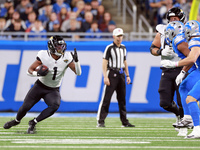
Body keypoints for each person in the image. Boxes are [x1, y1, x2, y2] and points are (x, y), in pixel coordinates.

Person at [3, 35, 82, 134]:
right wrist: (37, 73)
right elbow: (29, 70)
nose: (60, 49)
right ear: (51, 46)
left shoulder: (67, 57)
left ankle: (33, 122)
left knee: (55, 105)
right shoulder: (43, 55)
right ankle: (16, 121)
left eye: (61, 46)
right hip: (40, 86)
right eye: (58, 46)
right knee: (25, 107)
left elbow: (78, 73)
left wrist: (77, 62)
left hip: (53, 89)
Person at [161, 20, 200, 139]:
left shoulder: (193, 40)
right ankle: (188, 118)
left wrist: (174, 64)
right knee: (183, 86)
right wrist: (183, 72)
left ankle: (198, 130)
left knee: (191, 98)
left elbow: (192, 58)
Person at [150, 7, 186, 130]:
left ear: (181, 19)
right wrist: (160, 51)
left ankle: (185, 122)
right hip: (167, 69)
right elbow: (152, 49)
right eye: (171, 19)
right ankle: (179, 115)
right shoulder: (162, 31)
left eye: (175, 19)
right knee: (164, 102)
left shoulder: (187, 31)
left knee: (183, 101)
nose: (172, 21)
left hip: (182, 69)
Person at [96, 28, 135, 128]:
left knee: (122, 99)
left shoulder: (123, 47)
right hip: (112, 73)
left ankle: (124, 122)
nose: (119, 38)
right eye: (118, 36)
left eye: (121, 36)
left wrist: (127, 75)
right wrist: (105, 76)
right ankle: (100, 121)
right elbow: (104, 62)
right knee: (106, 99)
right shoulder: (109, 48)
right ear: (114, 36)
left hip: (121, 74)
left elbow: (125, 62)